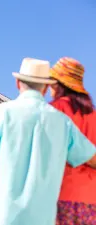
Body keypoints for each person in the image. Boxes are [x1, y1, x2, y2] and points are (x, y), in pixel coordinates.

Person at [0, 58, 96, 225]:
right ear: (45, 88)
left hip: (1, 217)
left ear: (17, 83)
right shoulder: (63, 122)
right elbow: (91, 157)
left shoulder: (3, 113)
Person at [49, 57, 96, 224]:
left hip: (62, 196)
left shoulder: (54, 110)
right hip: (91, 201)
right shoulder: (93, 115)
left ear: (59, 84)